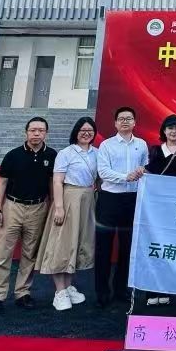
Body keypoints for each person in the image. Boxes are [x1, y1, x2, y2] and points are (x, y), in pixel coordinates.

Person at [0, 116, 55, 314]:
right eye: (33, 130)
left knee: (30, 255)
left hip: (38, 208)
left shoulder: (52, 155)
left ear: (46, 133)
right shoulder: (13, 155)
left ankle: (22, 293)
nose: (36, 134)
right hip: (12, 207)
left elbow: (53, 184)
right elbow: (1, 184)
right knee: (2, 254)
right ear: (26, 132)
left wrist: (53, 208)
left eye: (40, 130)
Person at [37, 117, 98, 312]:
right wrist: (59, 207)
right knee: (62, 244)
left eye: (90, 130)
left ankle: (69, 286)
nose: (86, 133)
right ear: (76, 132)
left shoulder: (97, 153)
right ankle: (60, 291)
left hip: (88, 200)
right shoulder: (66, 153)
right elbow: (57, 181)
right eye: (82, 130)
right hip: (69, 197)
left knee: (77, 244)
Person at [95, 106, 149, 307]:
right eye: (121, 119)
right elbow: (103, 172)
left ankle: (121, 289)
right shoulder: (106, 145)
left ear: (135, 122)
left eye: (129, 118)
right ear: (115, 123)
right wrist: (126, 176)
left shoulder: (141, 144)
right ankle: (102, 291)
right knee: (104, 247)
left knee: (127, 246)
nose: (125, 121)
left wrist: (142, 172)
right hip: (109, 199)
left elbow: (146, 167)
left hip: (132, 199)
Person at [145, 114, 176, 307]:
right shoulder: (155, 151)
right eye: (170, 128)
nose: (174, 131)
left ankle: (173, 288)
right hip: (159, 209)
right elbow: (150, 173)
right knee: (158, 247)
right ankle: (154, 289)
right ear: (163, 131)